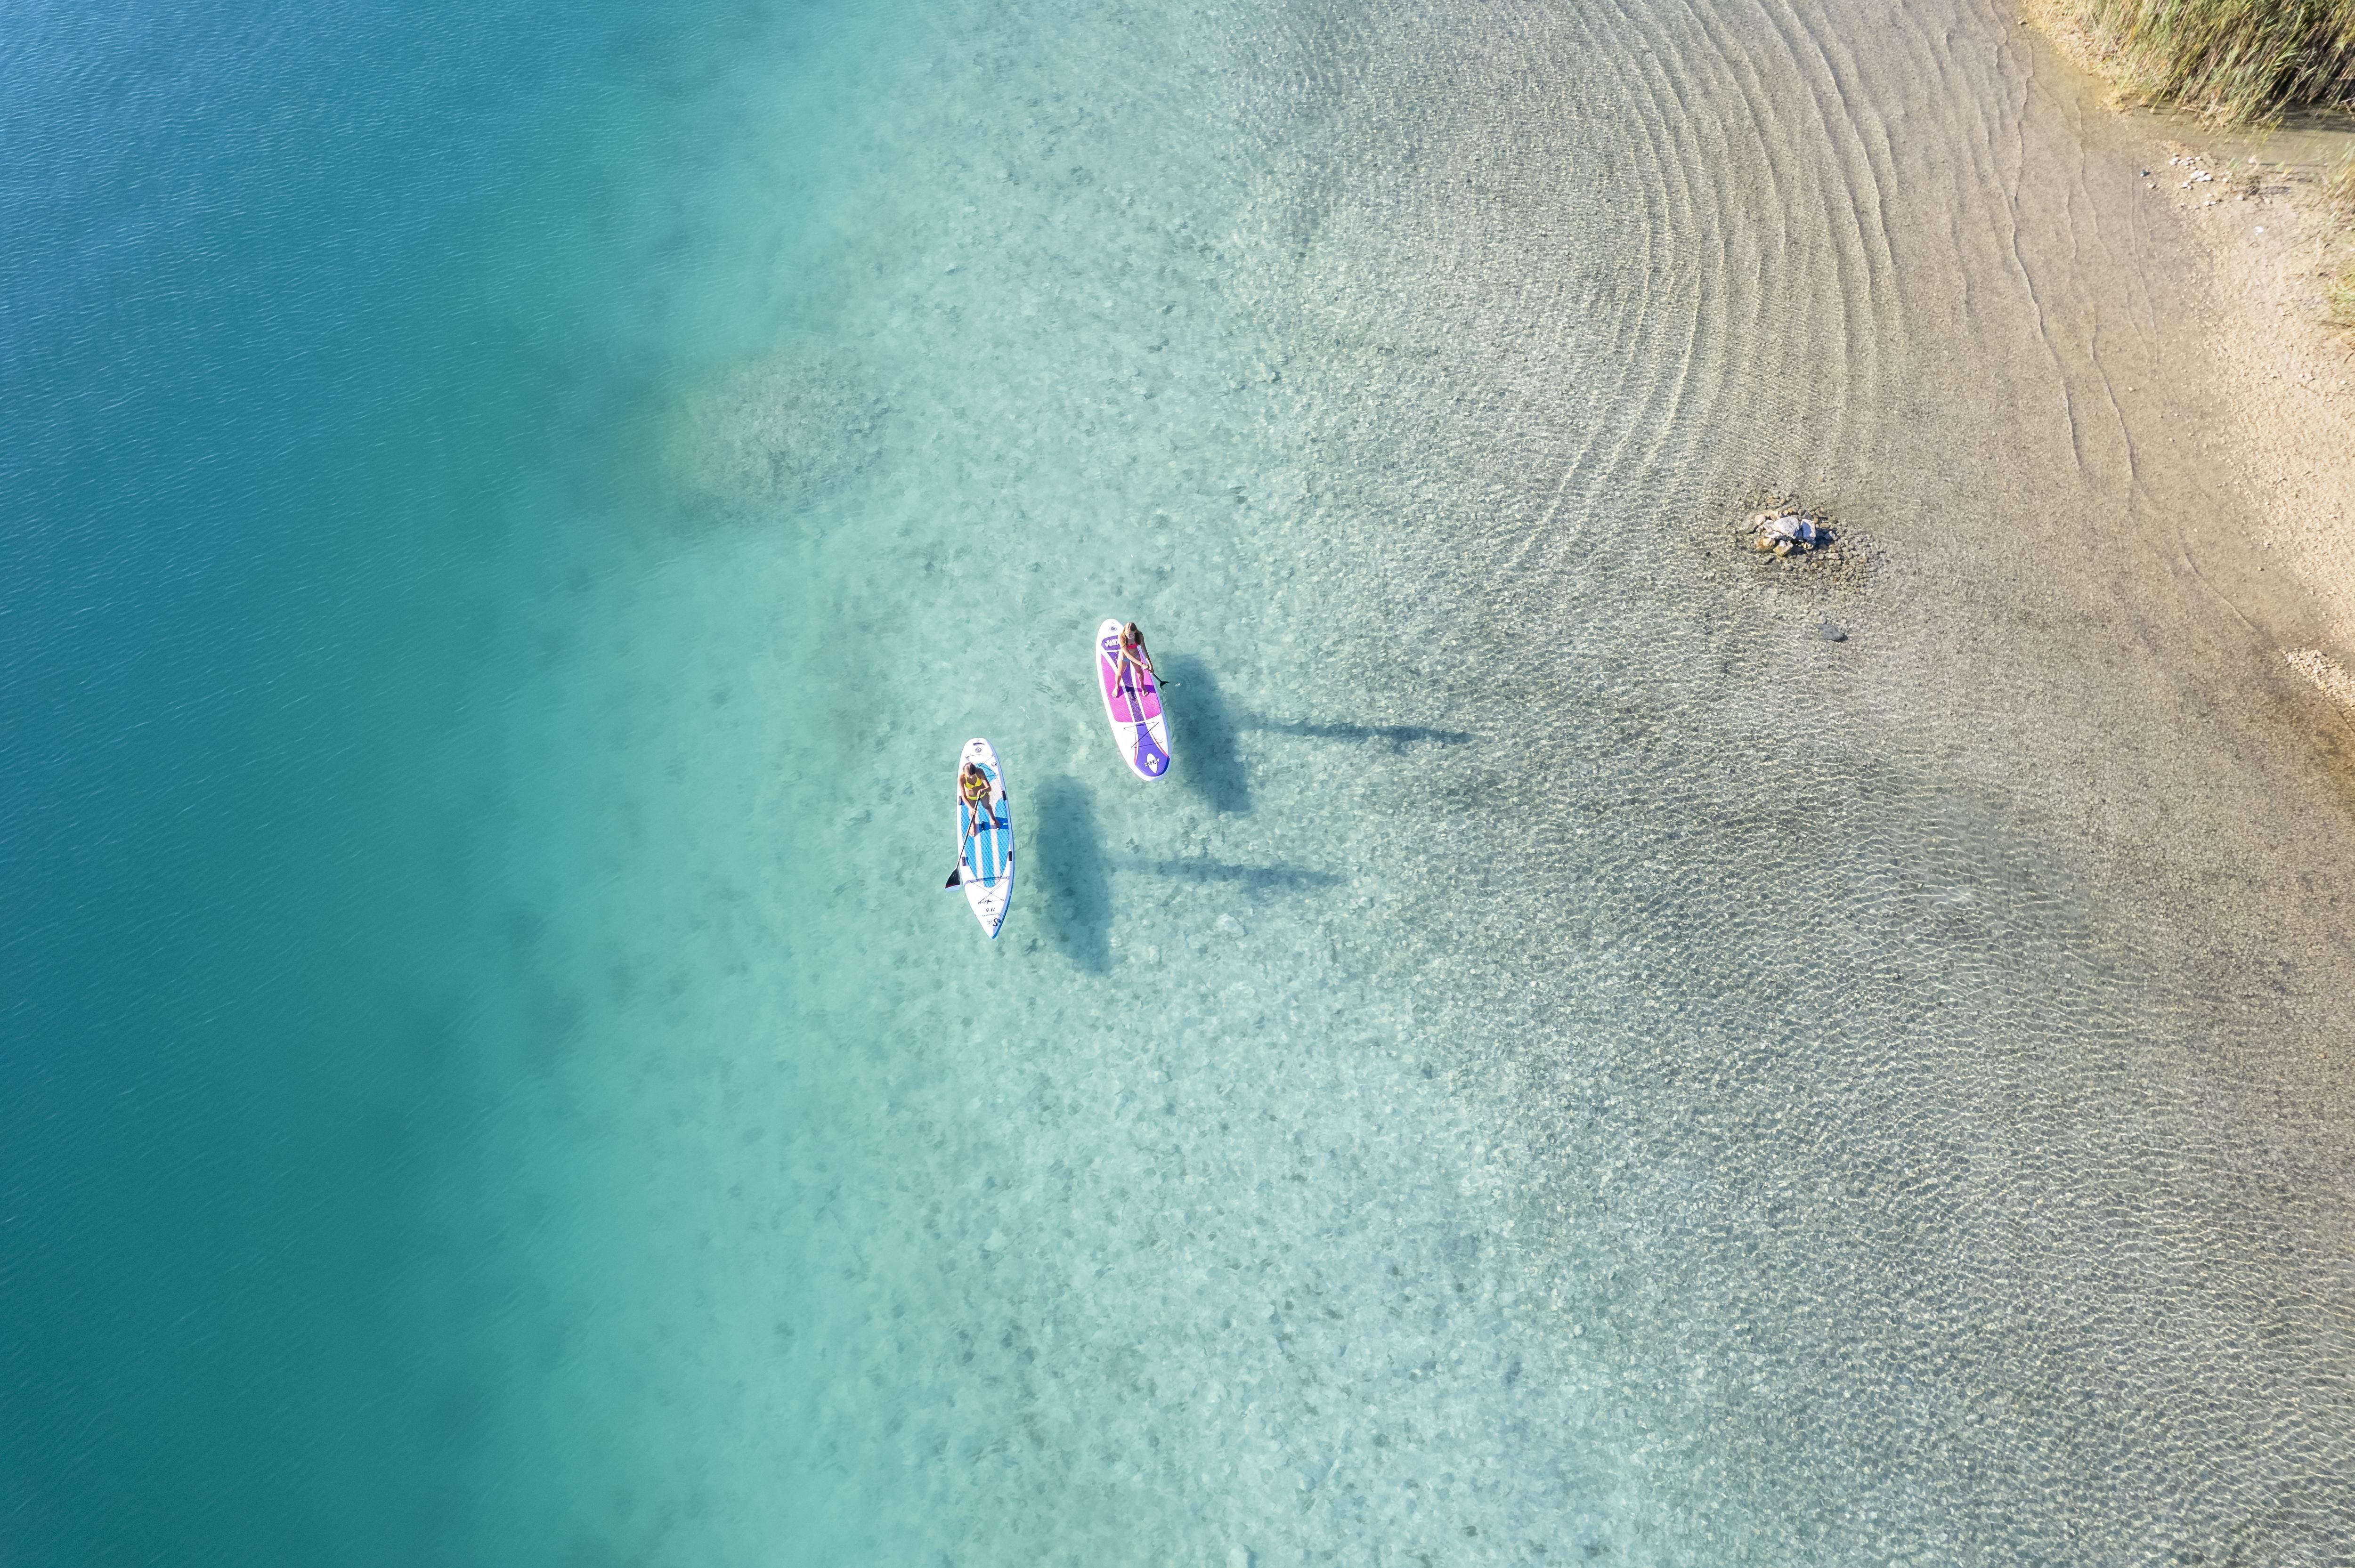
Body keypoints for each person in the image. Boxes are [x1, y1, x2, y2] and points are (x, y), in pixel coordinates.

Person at [1113, 621, 1156, 699]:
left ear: (1135, 632)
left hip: (1135, 655)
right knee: (1120, 673)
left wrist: (1150, 665)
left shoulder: (1139, 636)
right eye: (1127, 633)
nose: (1128, 636)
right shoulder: (1121, 637)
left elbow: (1144, 650)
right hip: (1124, 657)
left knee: (1139, 672)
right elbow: (1128, 655)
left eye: (1130, 634)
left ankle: (1142, 686)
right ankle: (1117, 687)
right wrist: (1142, 664)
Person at [959, 760, 997, 834]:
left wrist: (984, 790)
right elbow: (963, 796)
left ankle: (993, 819)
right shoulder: (961, 778)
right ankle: (973, 824)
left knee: (987, 806)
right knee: (972, 811)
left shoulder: (980, 772)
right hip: (971, 797)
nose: (971, 777)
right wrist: (970, 808)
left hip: (983, 795)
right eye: (969, 776)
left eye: (973, 775)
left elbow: (989, 788)